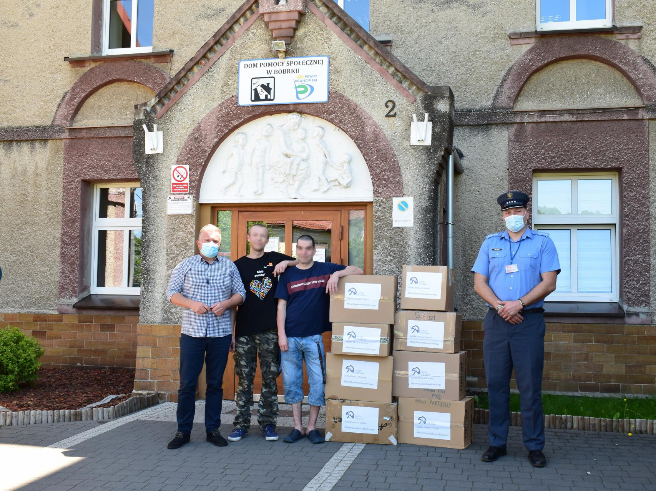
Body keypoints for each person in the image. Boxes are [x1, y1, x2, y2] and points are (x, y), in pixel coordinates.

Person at [471, 191, 560, 468]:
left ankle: (534, 446)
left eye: (517, 211)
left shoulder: (543, 243)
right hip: (497, 322)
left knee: (530, 388)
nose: (512, 216)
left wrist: (519, 304)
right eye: (507, 213)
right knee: (496, 385)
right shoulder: (490, 243)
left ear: (527, 213)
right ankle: (497, 443)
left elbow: (549, 283)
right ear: (503, 216)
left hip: (529, 323)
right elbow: (479, 283)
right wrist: (502, 307)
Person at [275, 235, 363, 444]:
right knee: (292, 383)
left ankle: (312, 427)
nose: (304, 252)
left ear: (315, 250)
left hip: (314, 338)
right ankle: (297, 427)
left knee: (317, 382)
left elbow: (358, 270)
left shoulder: (325, 269)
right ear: (296, 250)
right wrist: (281, 335)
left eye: (308, 248)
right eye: (300, 248)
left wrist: (337, 275)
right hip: (290, 338)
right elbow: (281, 306)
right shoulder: (288, 274)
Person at [165, 224, 246, 449]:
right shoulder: (185, 265)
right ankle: (183, 431)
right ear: (199, 243)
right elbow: (171, 293)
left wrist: (226, 304)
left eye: (216, 241)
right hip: (192, 333)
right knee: (187, 384)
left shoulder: (229, 266)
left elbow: (241, 294)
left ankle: (213, 430)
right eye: (208, 240)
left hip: (220, 334)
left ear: (220, 245)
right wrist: (192, 304)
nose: (212, 244)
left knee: (215, 384)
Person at [228, 224, 297, 443]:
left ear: (267, 240)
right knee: (244, 381)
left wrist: (286, 262)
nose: (259, 238)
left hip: (270, 332)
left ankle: (268, 424)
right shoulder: (237, 265)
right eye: (255, 235)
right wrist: (231, 333)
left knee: (270, 380)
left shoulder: (274, 258)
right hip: (244, 332)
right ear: (249, 237)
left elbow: (302, 262)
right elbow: (232, 303)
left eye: (263, 236)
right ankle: (241, 425)